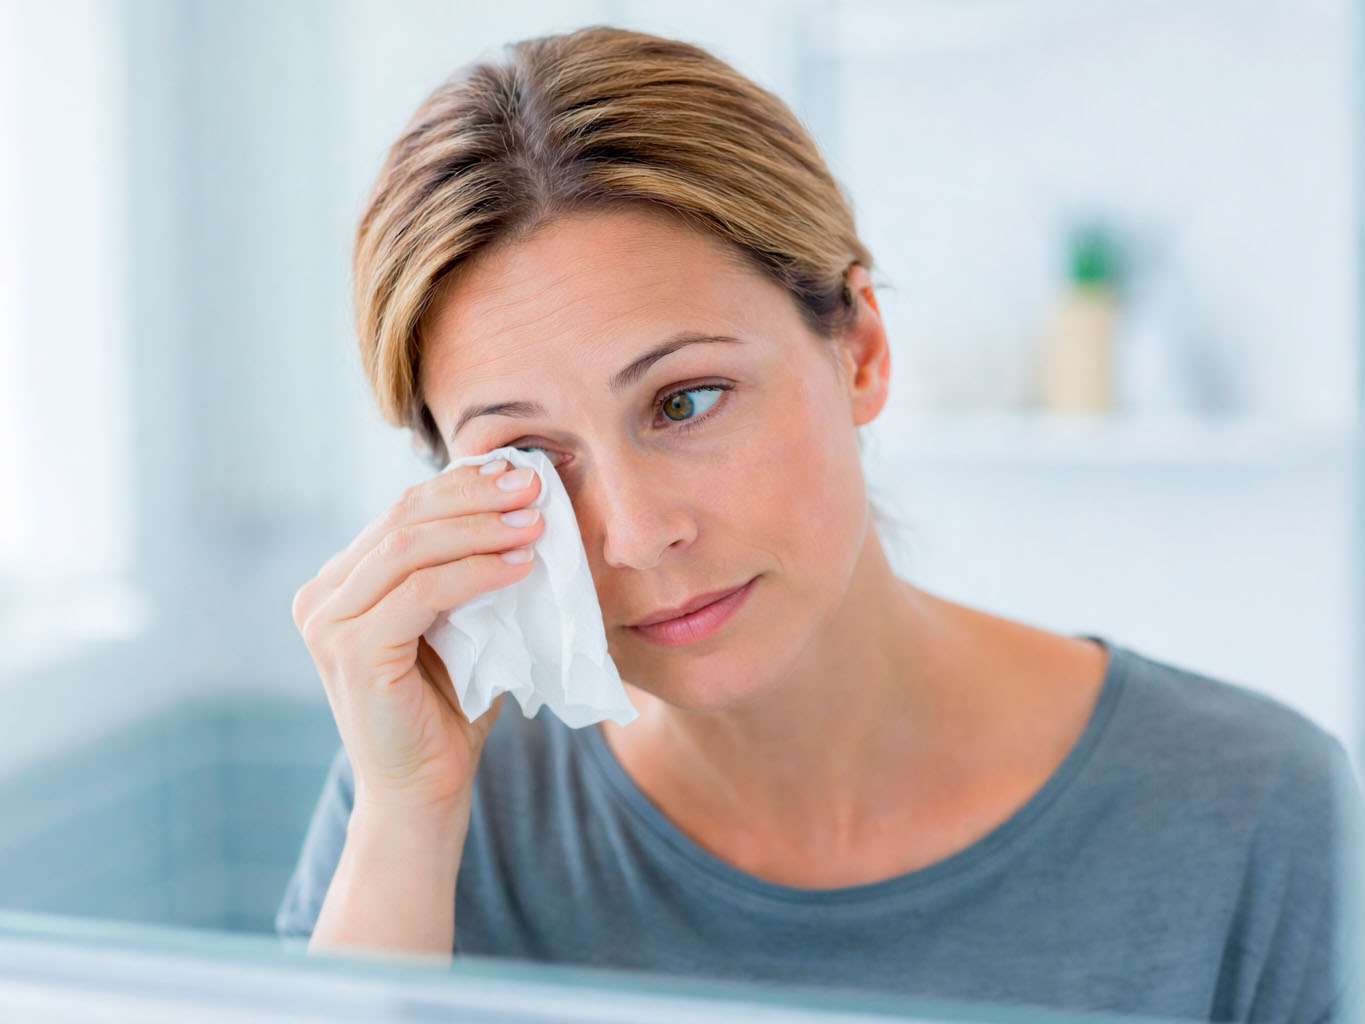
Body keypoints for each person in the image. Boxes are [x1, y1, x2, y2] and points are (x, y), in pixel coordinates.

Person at [276, 25, 1361, 1021]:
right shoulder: (432, 806)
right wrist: (404, 827)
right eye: (529, 460)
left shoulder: (1258, 811)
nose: (636, 533)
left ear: (862, 350)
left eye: (686, 400)